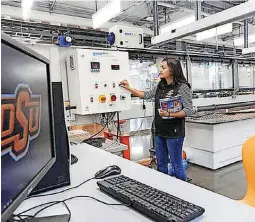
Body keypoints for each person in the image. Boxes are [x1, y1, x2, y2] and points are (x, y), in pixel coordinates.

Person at [120, 58, 194, 181]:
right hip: (159, 132)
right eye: (160, 67)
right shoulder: (161, 85)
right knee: (161, 165)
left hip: (174, 134)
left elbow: (188, 110)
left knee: (177, 165)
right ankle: (163, 190)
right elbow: (146, 95)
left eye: (163, 67)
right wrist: (129, 88)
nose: (160, 70)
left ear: (172, 70)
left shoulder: (182, 87)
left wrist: (170, 113)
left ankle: (182, 193)